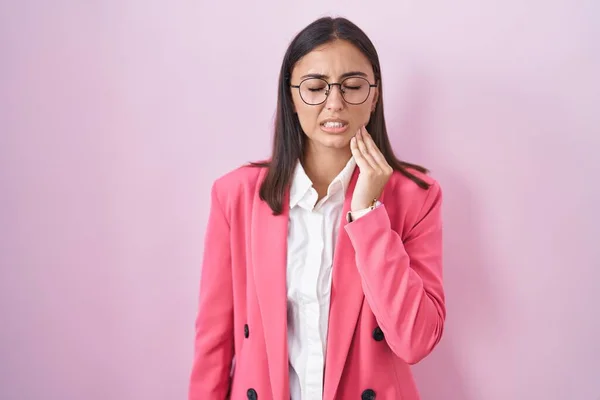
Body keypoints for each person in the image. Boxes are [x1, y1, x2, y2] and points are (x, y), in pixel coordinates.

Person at [189, 16, 445, 400]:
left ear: (374, 95)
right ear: (291, 97)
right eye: (315, 88)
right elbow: (213, 342)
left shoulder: (416, 196)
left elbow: (416, 340)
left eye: (353, 86)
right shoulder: (236, 195)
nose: (335, 104)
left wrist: (368, 215)